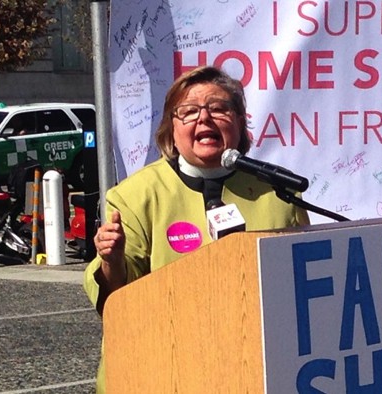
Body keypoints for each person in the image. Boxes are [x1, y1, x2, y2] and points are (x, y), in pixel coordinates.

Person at [82, 65, 309, 393]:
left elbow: (299, 283)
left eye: (219, 108)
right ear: (171, 129)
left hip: (252, 367)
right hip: (164, 369)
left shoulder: (277, 193)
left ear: (240, 124)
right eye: (188, 111)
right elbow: (116, 300)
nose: (204, 119)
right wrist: (111, 261)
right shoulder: (135, 196)